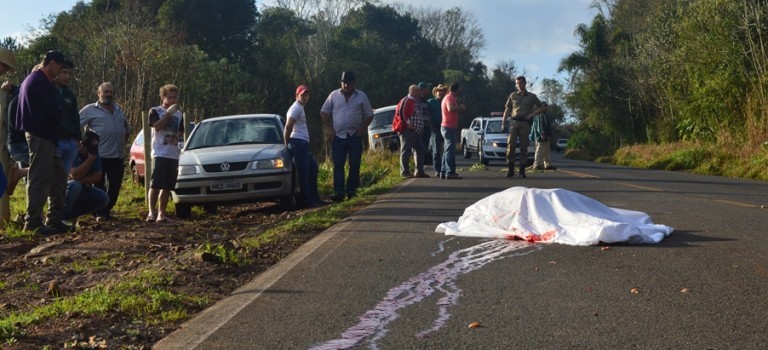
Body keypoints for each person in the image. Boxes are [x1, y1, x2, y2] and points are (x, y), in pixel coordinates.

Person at [16, 50, 69, 235]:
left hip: (45, 136)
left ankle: (54, 219)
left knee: (60, 175)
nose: (61, 71)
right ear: (52, 63)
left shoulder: (36, 80)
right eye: (61, 67)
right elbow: (53, 112)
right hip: (41, 135)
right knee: (40, 177)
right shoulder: (39, 81)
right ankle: (33, 222)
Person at [80, 82, 132, 221]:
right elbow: (75, 126)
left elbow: (127, 130)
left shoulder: (119, 110)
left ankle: (106, 210)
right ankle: (99, 212)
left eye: (111, 92)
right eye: (105, 92)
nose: (108, 94)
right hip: (98, 156)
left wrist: (122, 143)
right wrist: (81, 147)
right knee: (98, 186)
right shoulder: (89, 110)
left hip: (117, 155)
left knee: (115, 186)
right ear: (99, 93)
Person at [320, 71, 373, 202]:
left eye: (348, 83)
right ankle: (338, 191)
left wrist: (362, 128)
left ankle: (351, 190)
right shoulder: (333, 95)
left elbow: (369, 114)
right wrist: (329, 128)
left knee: (354, 164)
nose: (345, 86)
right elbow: (324, 112)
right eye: (343, 83)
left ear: (354, 83)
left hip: (355, 135)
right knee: (338, 164)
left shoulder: (361, 96)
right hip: (338, 136)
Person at [146, 84, 184, 222]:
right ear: (163, 97)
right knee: (155, 184)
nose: (172, 100)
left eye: (174, 97)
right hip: (160, 152)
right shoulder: (155, 111)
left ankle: (162, 213)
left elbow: (180, 131)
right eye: (169, 97)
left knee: (167, 186)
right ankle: (151, 212)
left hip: (173, 153)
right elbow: (157, 126)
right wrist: (168, 114)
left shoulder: (179, 115)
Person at [284, 85, 324, 208]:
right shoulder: (296, 109)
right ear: (297, 96)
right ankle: (307, 201)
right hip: (298, 143)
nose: (305, 97)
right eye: (302, 95)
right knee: (304, 173)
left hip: (302, 143)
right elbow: (288, 127)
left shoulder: (300, 108)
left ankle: (315, 198)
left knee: (313, 169)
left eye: (307, 95)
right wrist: (286, 143)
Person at [501, 76, 546, 178]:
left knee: (523, 147)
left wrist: (533, 114)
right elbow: (507, 110)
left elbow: (543, 107)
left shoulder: (531, 96)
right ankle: (511, 169)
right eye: (517, 83)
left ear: (525, 83)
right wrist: (503, 123)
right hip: (514, 122)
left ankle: (522, 170)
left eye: (521, 83)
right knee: (510, 146)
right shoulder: (513, 95)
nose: (519, 85)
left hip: (525, 123)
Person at [64, 131, 109, 221]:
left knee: (103, 198)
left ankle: (72, 215)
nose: (90, 153)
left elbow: (97, 177)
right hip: (63, 187)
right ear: (81, 145)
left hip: (81, 186)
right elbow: (74, 174)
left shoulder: (94, 154)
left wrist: (80, 179)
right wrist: (90, 159)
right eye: (88, 150)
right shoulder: (72, 151)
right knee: (75, 185)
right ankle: (62, 216)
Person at [54, 59, 82, 173]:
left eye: (69, 74)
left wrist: (77, 139)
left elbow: (75, 117)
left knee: (62, 177)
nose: (67, 76)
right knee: (49, 175)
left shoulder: (70, 95)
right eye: (64, 72)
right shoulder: (46, 89)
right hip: (54, 141)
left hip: (70, 142)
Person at [395, 85, 428, 178]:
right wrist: (408, 124)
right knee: (406, 151)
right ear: (412, 91)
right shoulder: (406, 100)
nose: (419, 92)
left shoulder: (416, 101)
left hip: (416, 131)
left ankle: (419, 171)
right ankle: (404, 172)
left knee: (420, 149)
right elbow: (401, 113)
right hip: (407, 130)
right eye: (417, 91)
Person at [440, 82, 465, 180]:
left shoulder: (447, 97)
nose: (460, 91)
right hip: (448, 126)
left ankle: (443, 171)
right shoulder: (450, 98)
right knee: (450, 150)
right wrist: (461, 108)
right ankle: (450, 172)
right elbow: (450, 108)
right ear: (457, 89)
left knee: (447, 150)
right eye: (460, 89)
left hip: (446, 126)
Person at [528, 103, 556, 171]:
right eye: (544, 106)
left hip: (544, 136)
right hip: (541, 136)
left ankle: (548, 165)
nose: (546, 108)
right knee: (540, 150)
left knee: (546, 151)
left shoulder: (542, 115)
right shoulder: (540, 115)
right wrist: (542, 133)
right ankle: (537, 165)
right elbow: (541, 125)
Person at [428, 84, 447, 178]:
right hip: (435, 128)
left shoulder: (446, 101)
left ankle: (445, 169)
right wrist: (430, 124)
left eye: (442, 91)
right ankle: (437, 170)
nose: (440, 92)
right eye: (439, 91)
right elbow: (426, 113)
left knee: (446, 150)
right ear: (435, 92)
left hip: (446, 127)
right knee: (436, 151)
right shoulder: (431, 102)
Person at [417, 82, 432, 169]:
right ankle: (419, 167)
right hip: (420, 128)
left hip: (427, 127)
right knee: (420, 148)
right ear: (423, 89)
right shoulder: (417, 100)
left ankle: (421, 167)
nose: (428, 90)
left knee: (425, 147)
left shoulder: (425, 101)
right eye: (427, 88)